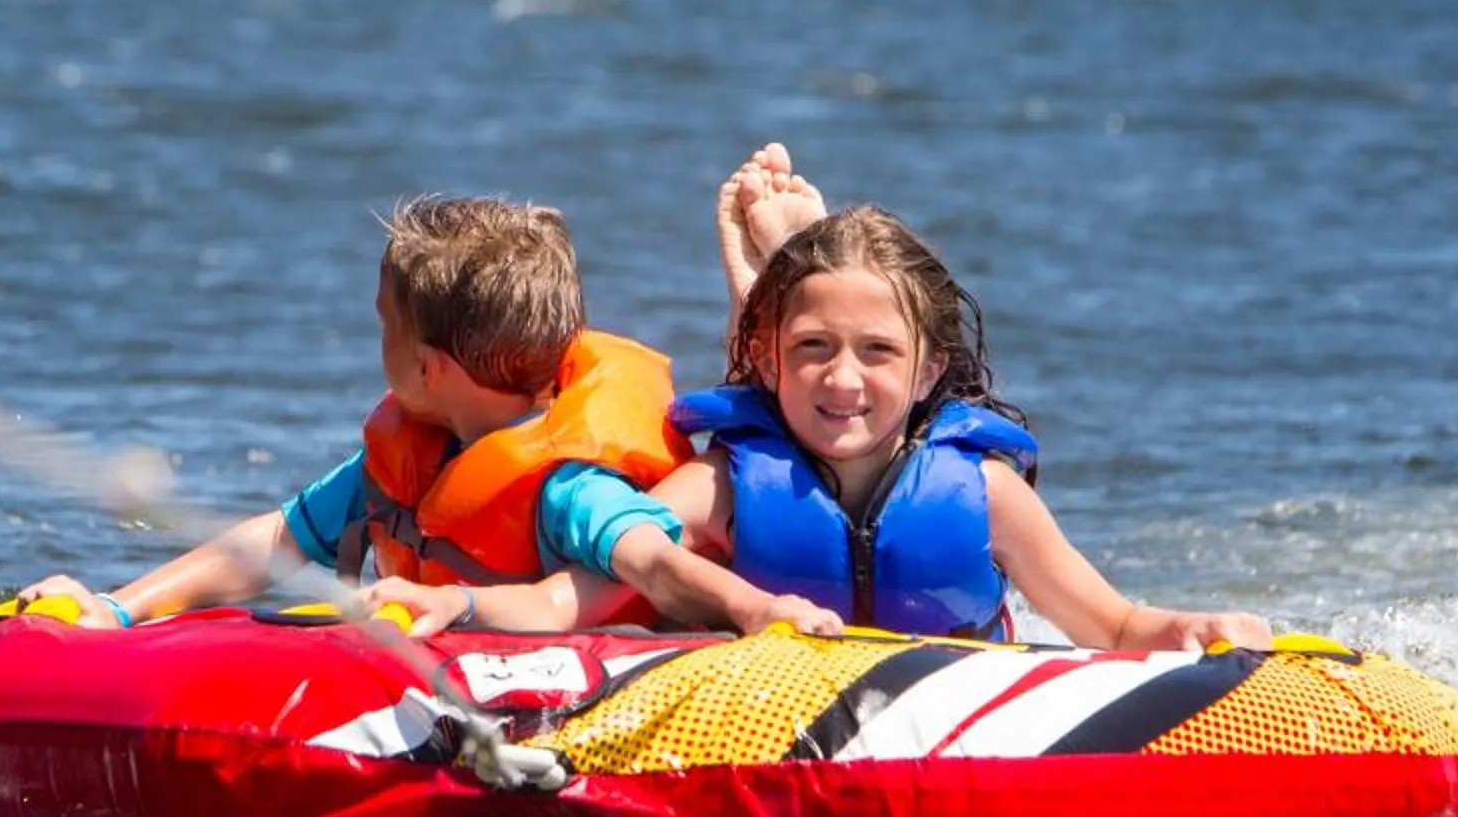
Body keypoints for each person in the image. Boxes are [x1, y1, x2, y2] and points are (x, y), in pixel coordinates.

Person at [376, 153, 1271, 651]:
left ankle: (787, 266)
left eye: (878, 353)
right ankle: (778, 281)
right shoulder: (726, 486)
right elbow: (586, 593)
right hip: (773, 714)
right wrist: (467, 606)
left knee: (816, 327)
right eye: (814, 352)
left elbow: (1109, 622)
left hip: (953, 705)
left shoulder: (983, 492)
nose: (844, 380)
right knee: (765, 395)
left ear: (928, 374)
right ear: (777, 359)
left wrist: (1187, 628)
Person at [15, 194, 837, 637]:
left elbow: (654, 564)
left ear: (426, 368)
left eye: (383, 325)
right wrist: (119, 610)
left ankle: (782, 275)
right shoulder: (405, 462)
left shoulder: (570, 488)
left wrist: (757, 612)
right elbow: (274, 542)